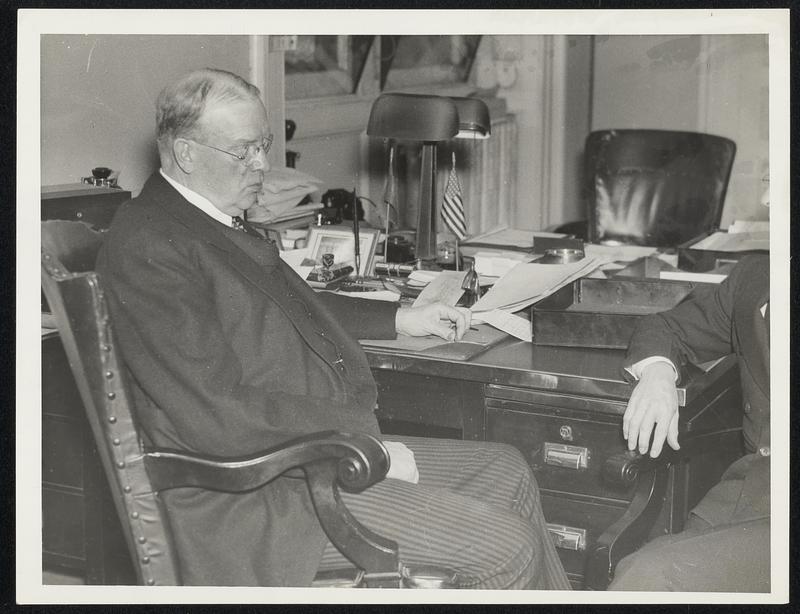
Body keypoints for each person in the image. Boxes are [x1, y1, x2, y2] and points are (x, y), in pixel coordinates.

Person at [95, 68, 569, 589]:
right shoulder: (148, 245)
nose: (263, 165)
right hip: (255, 497)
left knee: (507, 469)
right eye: (244, 151)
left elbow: (282, 303)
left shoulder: (206, 218)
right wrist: (364, 444)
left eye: (265, 145)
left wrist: (398, 317)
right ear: (186, 154)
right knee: (507, 549)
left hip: (302, 458)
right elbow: (215, 412)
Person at [609, 254, 770, 592]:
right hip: (749, 489)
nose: (768, 199)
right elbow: (667, 326)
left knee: (647, 575)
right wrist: (657, 373)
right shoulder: (758, 275)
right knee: (641, 568)